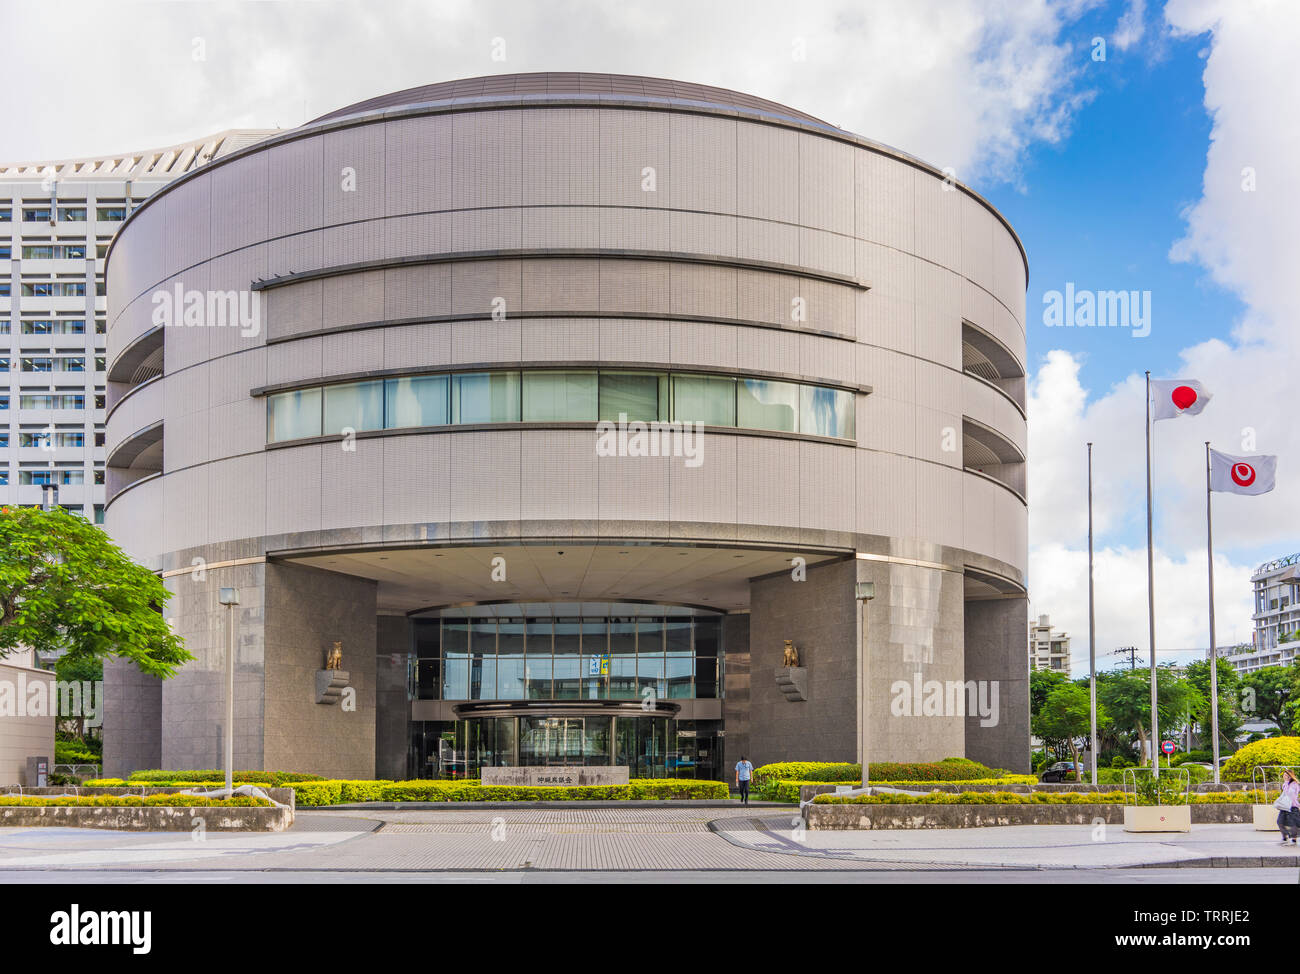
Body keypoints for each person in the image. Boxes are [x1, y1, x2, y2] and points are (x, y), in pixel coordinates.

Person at [1277, 770, 1300, 845]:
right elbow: (1284, 795)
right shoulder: (1285, 784)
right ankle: (1285, 837)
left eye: (1286, 775)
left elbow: (1291, 794)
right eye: (1283, 775)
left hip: (1292, 807)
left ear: (1290, 776)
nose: (1284, 776)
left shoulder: (1295, 784)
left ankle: (1294, 839)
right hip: (1284, 806)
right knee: (1280, 821)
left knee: (1294, 824)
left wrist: (1287, 783)